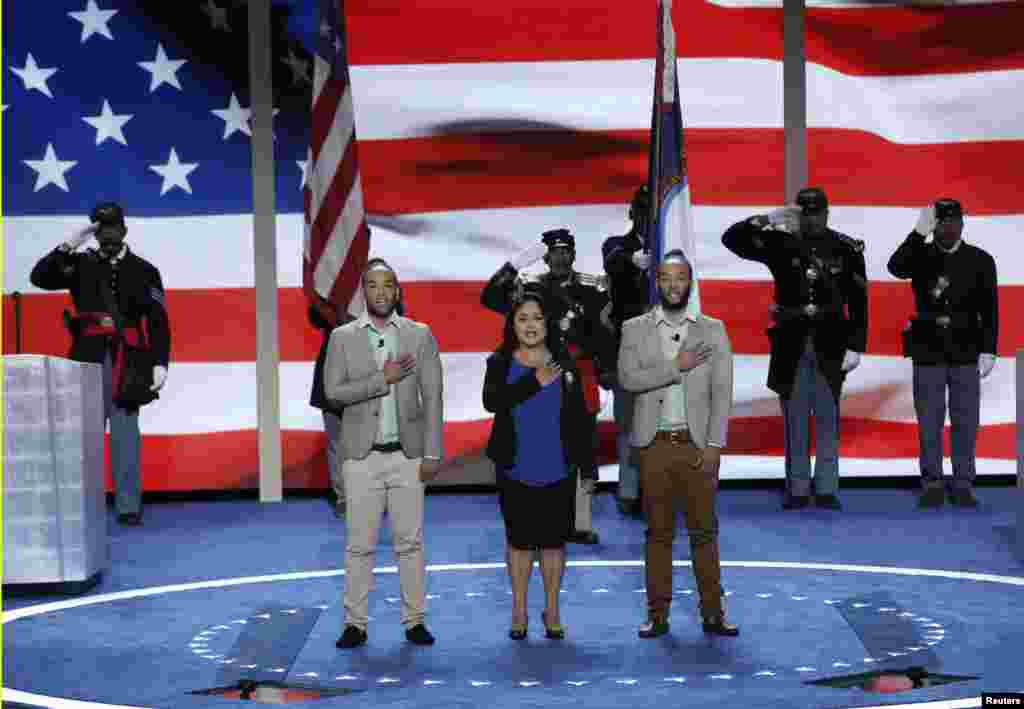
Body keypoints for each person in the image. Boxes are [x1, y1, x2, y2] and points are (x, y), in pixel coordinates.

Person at [721, 187, 868, 510]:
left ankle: (827, 487)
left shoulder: (846, 248)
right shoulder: (779, 242)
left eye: (816, 213)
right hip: (792, 341)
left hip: (831, 341)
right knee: (796, 418)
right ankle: (798, 488)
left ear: (827, 214)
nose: (811, 219)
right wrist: (767, 218)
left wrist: (857, 345)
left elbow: (859, 302)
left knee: (828, 417)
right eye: (804, 213)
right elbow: (731, 239)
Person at [324, 259, 444, 648]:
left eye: (387, 285)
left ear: (397, 291)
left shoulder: (419, 335)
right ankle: (355, 624)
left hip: (407, 456)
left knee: (410, 542)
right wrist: (382, 380)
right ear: (364, 291)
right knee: (359, 545)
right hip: (361, 457)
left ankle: (415, 621)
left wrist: (432, 452)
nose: (380, 292)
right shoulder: (342, 337)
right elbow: (333, 392)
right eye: (373, 286)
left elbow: (434, 396)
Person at [618, 249, 738, 638]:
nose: (673, 285)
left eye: (680, 278)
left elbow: (722, 394)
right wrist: (676, 367)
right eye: (666, 278)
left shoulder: (713, 330)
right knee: (658, 534)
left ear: (691, 282)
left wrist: (716, 445)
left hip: (698, 445)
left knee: (705, 533)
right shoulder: (634, 329)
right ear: (658, 282)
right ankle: (657, 615)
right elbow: (628, 379)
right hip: (655, 446)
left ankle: (713, 613)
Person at [29, 202, 170, 526]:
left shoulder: (145, 270)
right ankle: (83, 504)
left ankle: (128, 506)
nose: (108, 234)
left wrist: (160, 363)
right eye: (100, 229)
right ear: (95, 232)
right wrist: (70, 243)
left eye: (112, 227)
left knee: (125, 434)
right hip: (88, 356)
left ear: (124, 229)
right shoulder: (78, 264)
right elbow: (39, 277)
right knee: (85, 436)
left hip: (129, 360)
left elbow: (159, 322)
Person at [481, 228, 612, 544]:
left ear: (574, 254)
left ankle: (579, 523)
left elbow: (605, 332)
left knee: (581, 448)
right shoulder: (531, 287)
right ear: (546, 255)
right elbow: (491, 298)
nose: (560, 257)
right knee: (538, 444)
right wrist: (513, 265)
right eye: (554, 251)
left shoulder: (593, 288)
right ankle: (539, 515)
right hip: (536, 374)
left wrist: (605, 368)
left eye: (566, 251)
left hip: (576, 377)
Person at [483, 288, 595, 640]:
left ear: (547, 322)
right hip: (515, 467)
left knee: (552, 543)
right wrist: (534, 382)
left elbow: (579, 418)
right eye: (522, 319)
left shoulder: (565, 363)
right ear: (512, 325)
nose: (531, 325)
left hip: (558, 467)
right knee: (519, 542)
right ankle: (519, 609)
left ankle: (552, 608)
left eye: (536, 318)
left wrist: (587, 466)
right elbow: (492, 402)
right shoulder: (500, 362)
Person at [887, 198, 998, 508]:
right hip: (928, 350)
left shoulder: (980, 260)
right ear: (934, 225)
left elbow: (990, 310)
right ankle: (932, 481)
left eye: (952, 222)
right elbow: (895, 267)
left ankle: (963, 482)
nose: (946, 228)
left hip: (966, 350)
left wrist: (989, 350)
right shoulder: (920, 255)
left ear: (962, 224)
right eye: (940, 222)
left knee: (965, 420)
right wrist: (916, 233)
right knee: (929, 420)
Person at [602, 186, 653, 517]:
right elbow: (612, 262)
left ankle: (656, 490)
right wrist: (634, 263)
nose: (645, 218)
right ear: (632, 213)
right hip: (628, 348)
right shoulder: (619, 246)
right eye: (641, 211)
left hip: (664, 348)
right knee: (627, 423)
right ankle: (629, 490)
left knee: (660, 424)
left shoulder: (672, 249)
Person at [307, 295, 354, 518]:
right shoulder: (332, 289)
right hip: (332, 373)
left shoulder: (377, 291)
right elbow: (315, 317)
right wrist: (324, 298)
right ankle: (344, 498)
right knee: (337, 442)